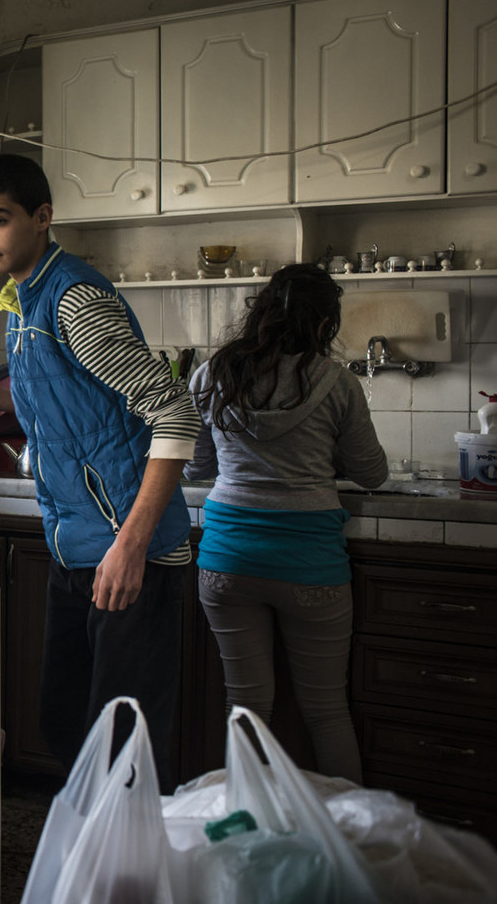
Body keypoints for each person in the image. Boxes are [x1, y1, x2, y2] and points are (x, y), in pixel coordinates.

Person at [0, 154, 199, 788]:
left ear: (42, 217)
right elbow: (65, 398)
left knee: (122, 750)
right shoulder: (22, 301)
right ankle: (97, 866)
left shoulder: (73, 299)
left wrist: (130, 546)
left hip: (131, 553)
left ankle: (128, 876)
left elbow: (176, 415)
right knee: (64, 723)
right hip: (74, 547)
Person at [184, 264, 386, 782]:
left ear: (261, 312)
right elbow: (372, 475)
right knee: (326, 711)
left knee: (246, 707)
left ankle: (245, 833)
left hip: (228, 559)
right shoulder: (338, 383)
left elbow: (197, 468)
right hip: (310, 565)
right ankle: (349, 842)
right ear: (324, 325)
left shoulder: (212, 374)